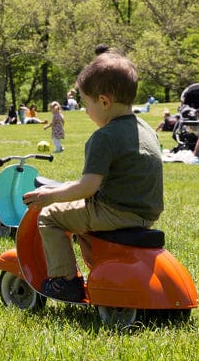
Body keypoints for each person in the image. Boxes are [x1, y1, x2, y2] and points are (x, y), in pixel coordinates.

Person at [21, 52, 163, 303]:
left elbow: (88, 187)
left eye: (87, 105)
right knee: (78, 215)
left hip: (115, 212)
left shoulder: (104, 137)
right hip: (145, 212)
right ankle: (96, 269)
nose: (86, 111)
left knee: (50, 216)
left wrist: (49, 196)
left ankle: (64, 282)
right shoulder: (146, 129)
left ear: (104, 101)